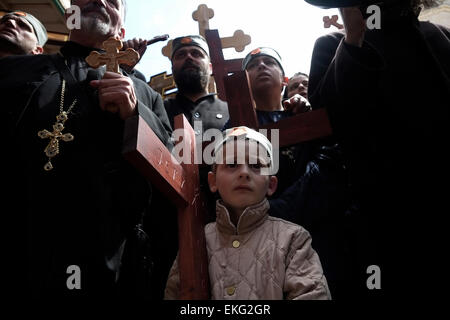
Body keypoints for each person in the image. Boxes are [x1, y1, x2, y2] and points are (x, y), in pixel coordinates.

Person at [1, 0, 173, 298]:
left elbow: (171, 169)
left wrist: (135, 115)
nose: (98, 0)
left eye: (113, 1)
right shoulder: (14, 72)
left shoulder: (146, 95)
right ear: (69, 15)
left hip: (111, 258)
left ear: (122, 29)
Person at [308, 0, 450, 298]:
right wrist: (353, 41)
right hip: (387, 220)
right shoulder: (332, 46)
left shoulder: (439, 36)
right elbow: (330, 120)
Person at [164, 126, 331, 300]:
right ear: (213, 181)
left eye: (256, 165)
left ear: (271, 185)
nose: (244, 173)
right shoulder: (197, 240)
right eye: (232, 164)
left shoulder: (293, 239)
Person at [164, 35, 229, 133]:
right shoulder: (160, 110)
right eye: (181, 55)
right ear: (172, 69)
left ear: (210, 68)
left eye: (196, 53)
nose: (188, 57)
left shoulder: (230, 112)